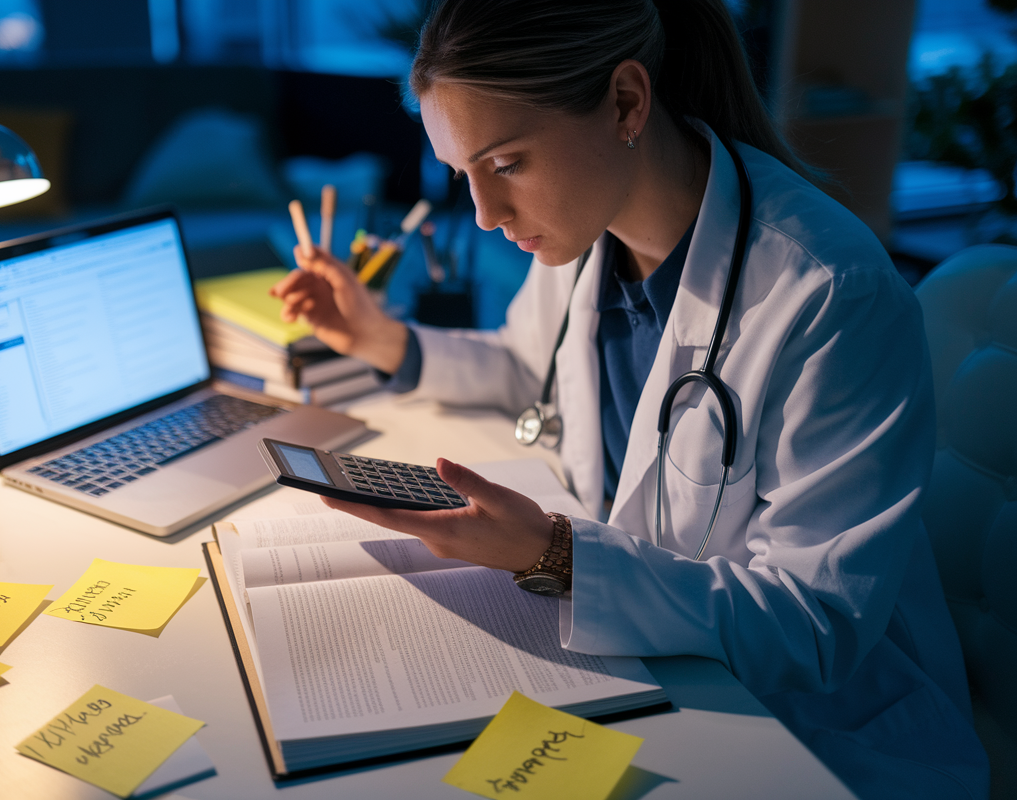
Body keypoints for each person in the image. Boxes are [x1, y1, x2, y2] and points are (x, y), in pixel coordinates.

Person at [270, 1, 989, 797]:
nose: (484, 215)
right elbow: (527, 371)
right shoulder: (585, 238)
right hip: (644, 670)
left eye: (506, 164)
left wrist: (557, 556)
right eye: (461, 175)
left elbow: (815, 625)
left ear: (625, 103)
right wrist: (378, 338)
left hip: (808, 733)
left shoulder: (826, 291)